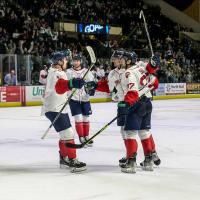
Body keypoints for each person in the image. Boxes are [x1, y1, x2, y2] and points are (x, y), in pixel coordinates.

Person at [41, 50, 87, 173]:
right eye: (65, 59)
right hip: (55, 108)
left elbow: (62, 87)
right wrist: (72, 83)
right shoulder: (56, 73)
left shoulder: (58, 71)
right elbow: (60, 86)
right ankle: (73, 160)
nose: (67, 61)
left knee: (64, 135)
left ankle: (64, 158)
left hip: (58, 107)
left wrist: (72, 84)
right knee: (68, 134)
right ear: (59, 61)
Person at [118, 51, 161, 173]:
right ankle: (148, 162)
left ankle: (131, 162)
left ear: (128, 61)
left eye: (123, 59)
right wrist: (153, 66)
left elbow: (133, 92)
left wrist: (126, 103)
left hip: (136, 105)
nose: (121, 61)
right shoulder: (142, 68)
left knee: (130, 133)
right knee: (144, 132)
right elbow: (155, 83)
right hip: (147, 103)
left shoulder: (128, 72)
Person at [66, 53, 94, 147]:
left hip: (85, 98)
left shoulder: (86, 71)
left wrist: (91, 89)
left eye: (77, 60)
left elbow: (91, 83)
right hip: (73, 99)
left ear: (81, 61)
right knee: (78, 118)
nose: (76, 62)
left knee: (86, 118)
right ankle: (81, 137)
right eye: (74, 60)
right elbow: (66, 84)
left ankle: (87, 137)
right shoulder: (68, 72)